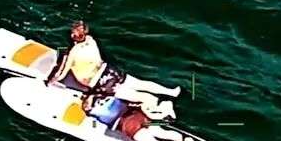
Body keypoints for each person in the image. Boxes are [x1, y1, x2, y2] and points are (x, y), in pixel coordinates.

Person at [47, 21, 181, 109]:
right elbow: (84, 30)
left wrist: (50, 82)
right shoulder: (91, 40)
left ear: (72, 36)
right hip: (110, 71)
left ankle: (159, 112)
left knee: (142, 97)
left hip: (101, 83)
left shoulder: (74, 53)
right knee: (140, 83)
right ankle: (170, 92)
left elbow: (63, 73)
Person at [82, 91, 197, 141]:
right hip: (138, 115)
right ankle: (182, 139)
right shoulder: (111, 98)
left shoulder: (92, 111)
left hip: (128, 124)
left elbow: (93, 121)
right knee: (161, 133)